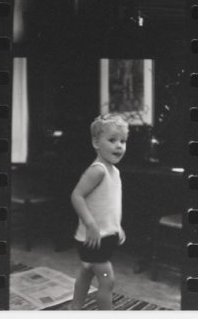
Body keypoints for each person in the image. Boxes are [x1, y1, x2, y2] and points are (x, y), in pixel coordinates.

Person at [70, 112, 130, 309]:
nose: (119, 146)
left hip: (104, 236)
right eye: (112, 140)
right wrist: (91, 225)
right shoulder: (98, 170)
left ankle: (75, 308)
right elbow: (76, 196)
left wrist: (116, 227)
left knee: (86, 272)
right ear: (96, 142)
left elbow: (109, 205)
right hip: (93, 238)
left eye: (123, 141)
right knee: (107, 279)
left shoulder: (115, 171)